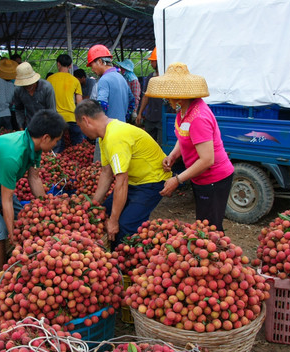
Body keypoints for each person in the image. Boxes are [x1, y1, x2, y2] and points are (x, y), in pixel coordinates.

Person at [0, 109, 67, 271]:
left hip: (0, 182)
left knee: (25, 217)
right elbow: (6, 200)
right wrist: (11, 232)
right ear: (46, 137)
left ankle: (23, 259)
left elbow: (34, 178)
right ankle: (2, 272)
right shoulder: (12, 156)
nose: (55, 146)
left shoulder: (35, 147)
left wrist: (46, 208)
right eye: (56, 141)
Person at [146, 62, 234, 232]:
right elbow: (184, 137)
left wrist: (177, 180)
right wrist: (172, 155)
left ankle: (217, 255)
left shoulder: (198, 117)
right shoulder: (184, 111)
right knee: (204, 222)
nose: (167, 98)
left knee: (210, 227)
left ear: (179, 96)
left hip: (214, 178)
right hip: (201, 177)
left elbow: (208, 160)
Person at [74, 99, 172, 247]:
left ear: (85, 121)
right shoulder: (104, 135)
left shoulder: (115, 136)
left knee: (125, 226)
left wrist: (114, 221)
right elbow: (106, 173)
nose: (81, 131)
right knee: (104, 212)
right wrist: (93, 204)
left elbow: (121, 181)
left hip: (151, 181)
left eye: (80, 126)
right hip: (134, 181)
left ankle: (127, 260)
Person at [86, 44, 134, 122]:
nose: (92, 69)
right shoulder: (121, 78)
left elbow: (102, 104)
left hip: (109, 128)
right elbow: (132, 100)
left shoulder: (104, 80)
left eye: (92, 65)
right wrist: (125, 116)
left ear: (100, 61)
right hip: (122, 126)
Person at [47, 54, 83, 152]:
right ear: (70, 65)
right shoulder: (75, 81)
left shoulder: (50, 79)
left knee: (58, 146)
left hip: (56, 117)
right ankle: (78, 164)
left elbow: (46, 99)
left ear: (58, 64)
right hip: (72, 116)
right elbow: (79, 102)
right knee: (78, 145)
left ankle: (58, 165)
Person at [13, 62, 56, 130]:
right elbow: (19, 109)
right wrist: (21, 126)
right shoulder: (18, 90)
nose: (27, 86)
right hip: (30, 125)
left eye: (29, 83)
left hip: (46, 125)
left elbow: (51, 110)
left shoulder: (46, 87)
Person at [136, 47, 164, 144]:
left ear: (158, 62)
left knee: (161, 144)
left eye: (153, 61)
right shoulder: (150, 77)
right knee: (149, 143)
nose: (151, 64)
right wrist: (140, 113)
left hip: (162, 117)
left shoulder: (167, 78)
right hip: (151, 117)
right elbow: (145, 96)